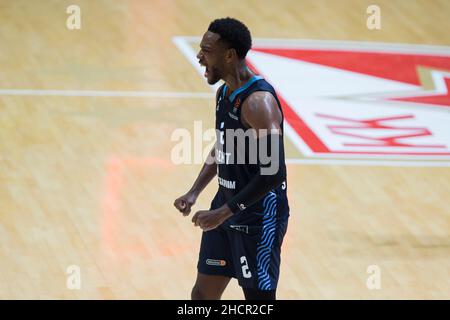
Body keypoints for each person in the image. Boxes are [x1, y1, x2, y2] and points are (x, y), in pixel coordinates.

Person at [174, 17, 289, 300]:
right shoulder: (225, 92)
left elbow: (274, 173)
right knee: (202, 295)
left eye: (206, 51)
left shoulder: (258, 103)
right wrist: (194, 191)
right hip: (225, 207)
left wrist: (224, 212)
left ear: (229, 55)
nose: (200, 57)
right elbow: (225, 146)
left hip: (258, 217)